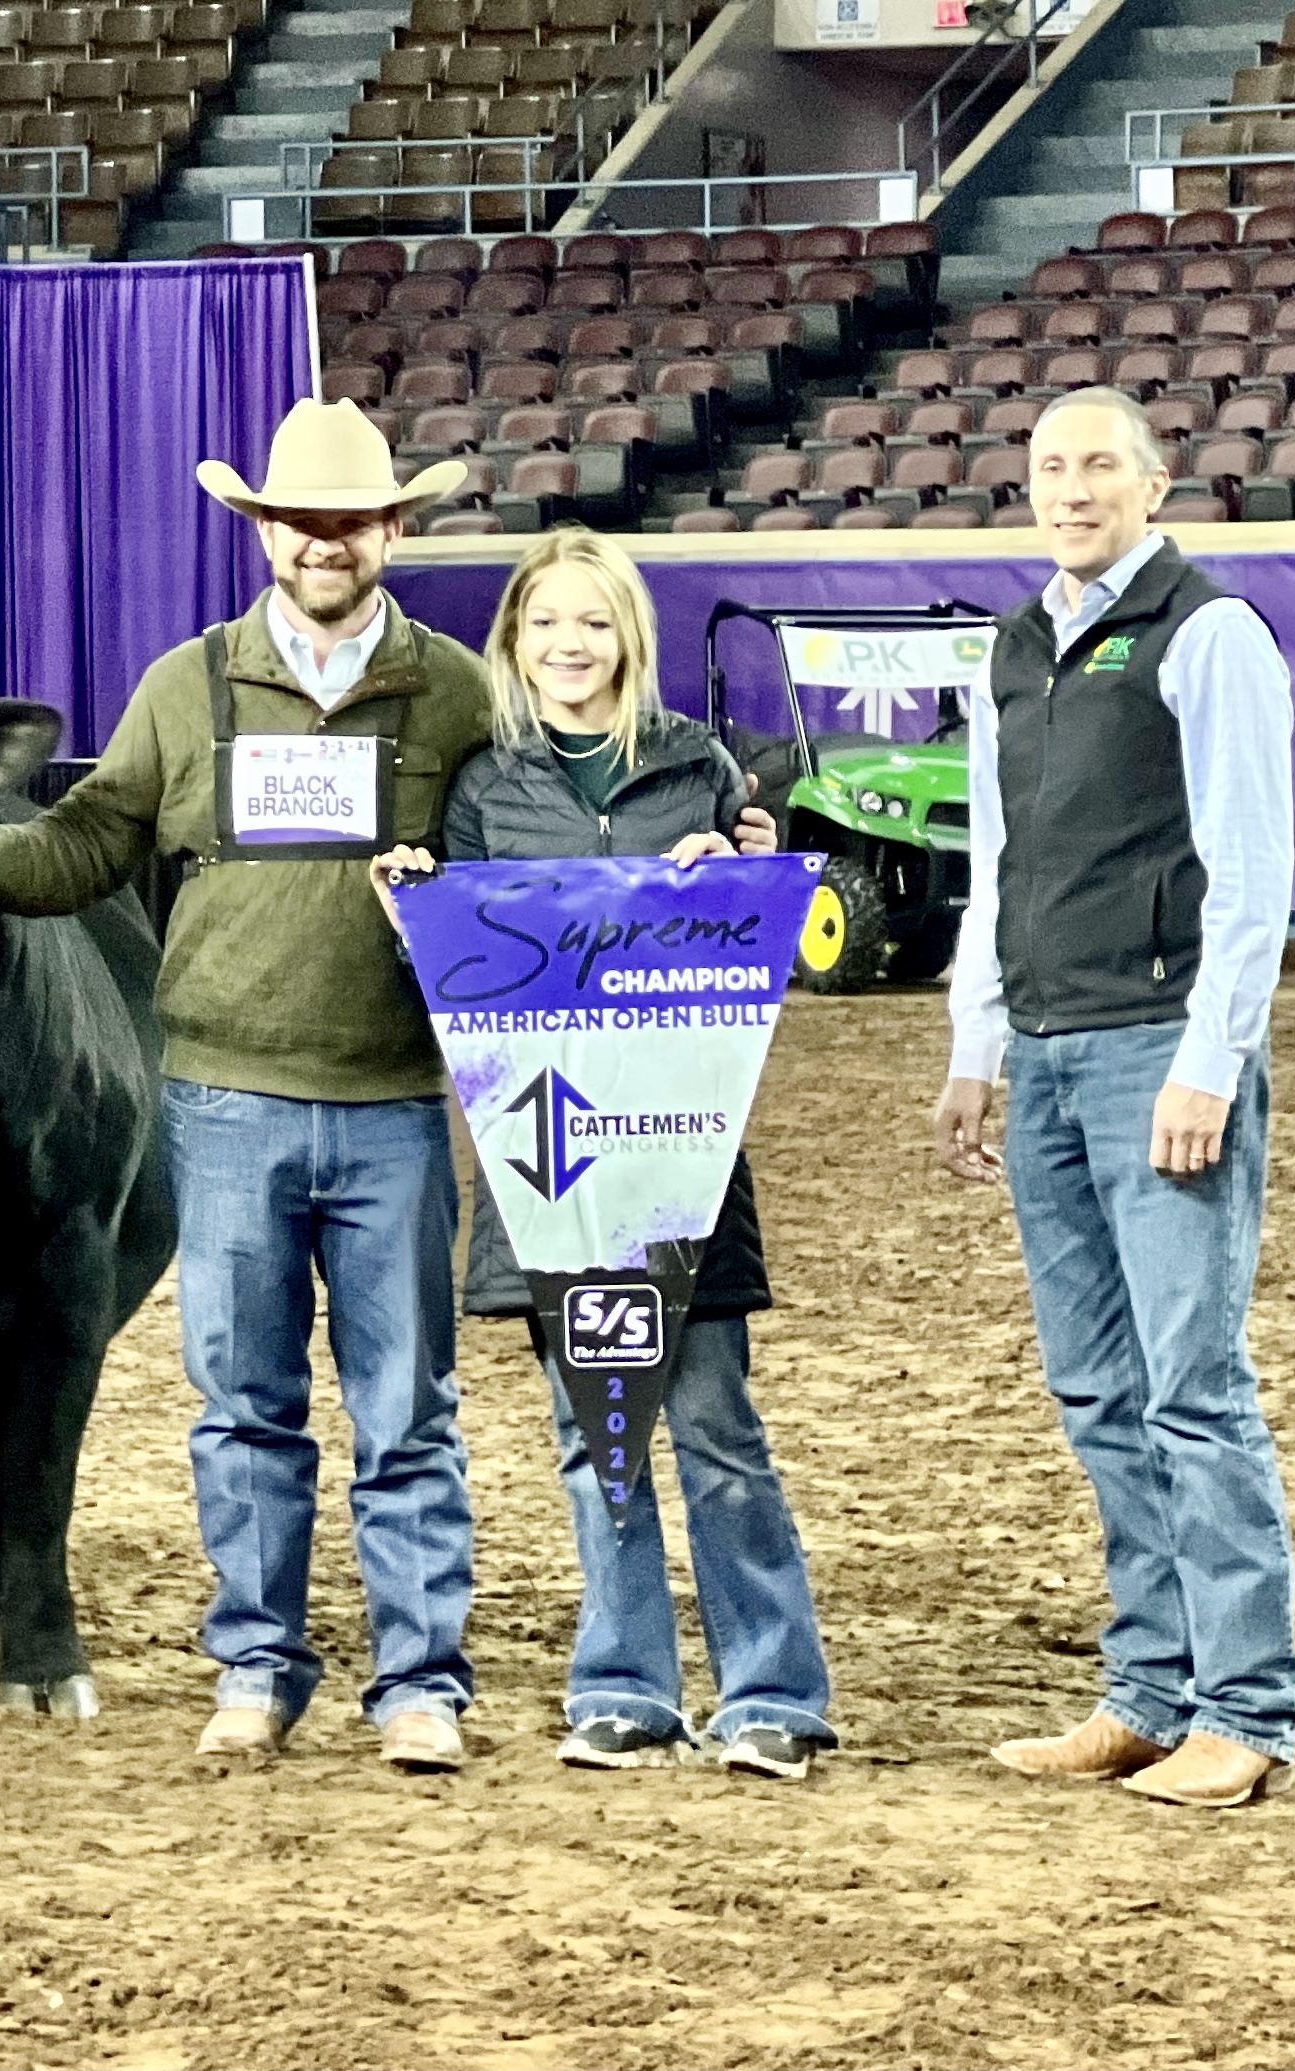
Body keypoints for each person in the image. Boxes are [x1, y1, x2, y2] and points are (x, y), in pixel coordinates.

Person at [0, 399, 496, 1772]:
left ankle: (419, 1681)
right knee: (244, 1405)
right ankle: (256, 1661)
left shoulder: (460, 692)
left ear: (392, 531)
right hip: (223, 1101)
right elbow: (95, 838)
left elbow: (519, 853)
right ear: (264, 532)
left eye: (350, 521)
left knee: (407, 1407)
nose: (323, 543)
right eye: (300, 521)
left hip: (395, 1101)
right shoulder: (188, 684)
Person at [369, 528, 835, 1782]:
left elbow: (779, 949)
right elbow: (458, 972)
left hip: (683, 1148)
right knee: (597, 1432)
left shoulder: (700, 767)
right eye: (544, 625)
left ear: (628, 633)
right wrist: (414, 900)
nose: (569, 646)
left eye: (593, 621)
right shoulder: (484, 787)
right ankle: (622, 1685)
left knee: (715, 1422)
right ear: (512, 642)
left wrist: (741, 878)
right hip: (551, 1159)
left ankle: (773, 1691)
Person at [934, 387, 1295, 1810]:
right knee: (1100, 1388)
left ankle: (1248, 1702)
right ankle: (1150, 1690)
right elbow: (997, 857)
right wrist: (976, 1041)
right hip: (1043, 1052)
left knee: (1192, 1384)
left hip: (1158, 1053)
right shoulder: (1014, 648)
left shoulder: (1208, 634)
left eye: (1099, 463)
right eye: (1048, 466)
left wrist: (1211, 1055)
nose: (1071, 486)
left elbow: (1250, 862)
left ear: (1155, 484)